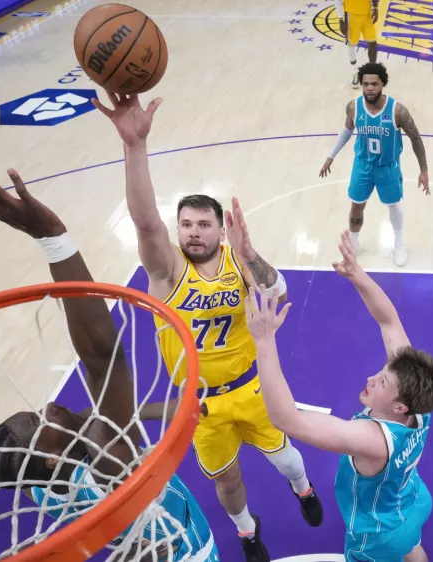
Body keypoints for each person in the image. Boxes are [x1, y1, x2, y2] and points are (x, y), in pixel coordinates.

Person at [92, 92, 322, 562]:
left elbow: (278, 291)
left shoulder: (241, 261)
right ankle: (246, 531)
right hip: (201, 405)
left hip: (253, 388)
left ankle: (302, 488)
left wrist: (249, 252)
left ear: (220, 230)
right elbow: (145, 224)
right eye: (186, 225)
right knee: (227, 480)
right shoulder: (167, 273)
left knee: (285, 459)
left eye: (203, 224)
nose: (193, 232)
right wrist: (135, 149)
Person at [0, 166, 218, 561]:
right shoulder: (108, 462)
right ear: (51, 457)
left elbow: (91, 417)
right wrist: (52, 238)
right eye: (39, 420)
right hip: (194, 552)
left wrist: (173, 409)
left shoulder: (40, 483)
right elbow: (105, 358)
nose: (48, 407)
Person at [246, 230, 433, 562]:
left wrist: (265, 343)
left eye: (382, 383)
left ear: (399, 406)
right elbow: (389, 321)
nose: (371, 379)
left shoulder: (371, 440)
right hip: (412, 502)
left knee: (393, 548)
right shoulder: (419, 401)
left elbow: (287, 420)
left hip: (378, 535)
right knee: (411, 547)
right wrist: (358, 274)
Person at [319, 63, 430, 267]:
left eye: (374, 84)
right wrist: (330, 156)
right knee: (356, 205)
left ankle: (398, 244)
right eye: (366, 84)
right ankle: (353, 245)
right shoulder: (353, 107)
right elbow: (346, 131)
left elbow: (416, 138)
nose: (370, 88)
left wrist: (423, 170)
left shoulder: (398, 111)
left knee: (394, 205)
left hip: (388, 167)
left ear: (382, 84)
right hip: (362, 166)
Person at [335, 0, 379, 87]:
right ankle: (355, 73)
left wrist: (376, 8)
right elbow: (338, 1)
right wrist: (340, 20)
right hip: (352, 15)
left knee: (373, 43)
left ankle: (372, 72)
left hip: (367, 14)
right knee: (351, 45)